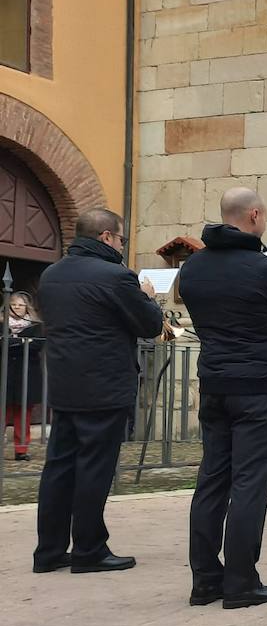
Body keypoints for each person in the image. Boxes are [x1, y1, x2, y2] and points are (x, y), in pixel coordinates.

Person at [180, 187, 267, 608]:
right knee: (250, 483)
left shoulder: (193, 268)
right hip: (258, 387)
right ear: (255, 215)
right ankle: (241, 581)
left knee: (212, 479)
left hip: (215, 384)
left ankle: (205, 579)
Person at [33, 208, 163, 575]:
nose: (121, 245)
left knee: (59, 466)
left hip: (63, 382)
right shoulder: (117, 277)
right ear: (106, 237)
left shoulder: (52, 273)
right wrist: (147, 296)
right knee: (94, 468)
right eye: (121, 238)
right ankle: (89, 549)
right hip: (104, 385)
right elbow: (149, 324)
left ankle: (49, 551)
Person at [5, 291, 43, 461]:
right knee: (2, 412)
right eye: (13, 305)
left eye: (20, 305)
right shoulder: (3, 323)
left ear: (26, 307)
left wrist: (14, 341)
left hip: (27, 373)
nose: (16, 308)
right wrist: (22, 341)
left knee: (23, 414)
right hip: (5, 373)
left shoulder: (35, 326)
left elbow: (36, 346)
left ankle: (21, 450)